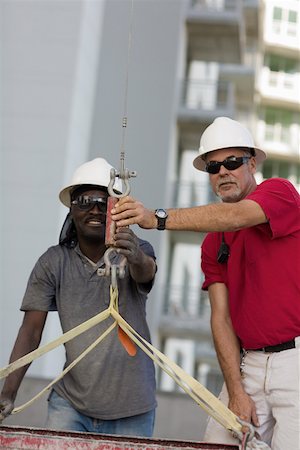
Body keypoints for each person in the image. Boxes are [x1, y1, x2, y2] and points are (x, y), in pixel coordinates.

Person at [111, 117, 300, 450]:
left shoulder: (280, 192)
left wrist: (156, 218)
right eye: (214, 166)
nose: (223, 171)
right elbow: (221, 318)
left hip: (295, 362)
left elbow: (238, 215)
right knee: (215, 443)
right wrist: (237, 391)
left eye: (232, 162)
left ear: (252, 163)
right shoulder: (214, 242)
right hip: (249, 365)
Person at [0, 157, 157, 437]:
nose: (95, 209)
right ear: (72, 208)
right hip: (70, 404)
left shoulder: (136, 249)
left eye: (104, 202)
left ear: (117, 210)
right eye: (85, 201)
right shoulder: (53, 262)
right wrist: (8, 393)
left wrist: (134, 255)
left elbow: (145, 272)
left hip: (132, 408)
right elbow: (31, 331)